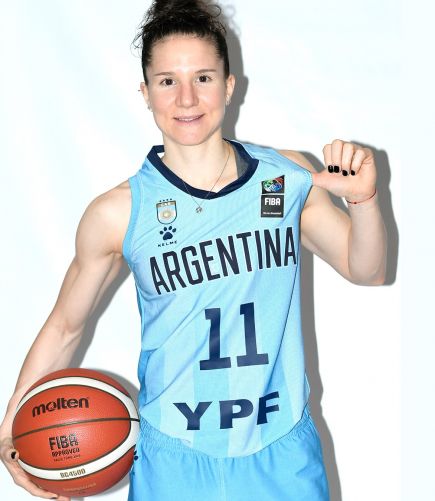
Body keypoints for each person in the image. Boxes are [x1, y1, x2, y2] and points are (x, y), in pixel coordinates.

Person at [0, 0, 387, 500]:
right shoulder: (119, 213)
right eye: (167, 81)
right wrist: (10, 430)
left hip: (281, 450)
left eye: (203, 77)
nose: (186, 98)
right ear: (145, 92)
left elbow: (367, 269)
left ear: (229, 85)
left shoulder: (286, 178)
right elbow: (65, 327)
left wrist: (364, 201)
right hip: (173, 461)